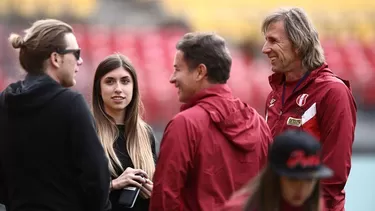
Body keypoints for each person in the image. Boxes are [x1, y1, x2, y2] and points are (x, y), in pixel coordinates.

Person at [149, 32, 273, 211]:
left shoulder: (184, 125)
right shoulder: (259, 123)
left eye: (177, 69)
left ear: (200, 72)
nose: (172, 78)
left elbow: (164, 200)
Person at [0, 19, 110, 211]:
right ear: (56, 58)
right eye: (76, 53)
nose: (80, 60)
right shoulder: (71, 103)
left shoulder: (4, 101)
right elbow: (97, 178)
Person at [261, 7, 357, 211]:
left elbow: (334, 175)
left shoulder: (332, 92)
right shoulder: (273, 96)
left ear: (298, 44)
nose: (264, 49)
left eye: (273, 41)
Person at [92, 53, 157, 211]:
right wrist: (114, 184)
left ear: (134, 88)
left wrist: (154, 193)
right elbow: (72, 191)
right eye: (110, 81)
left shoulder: (145, 133)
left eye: (125, 81)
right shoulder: (88, 130)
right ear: (99, 89)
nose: (118, 89)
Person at [220, 130, 333, 211]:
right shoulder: (239, 207)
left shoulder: (316, 205)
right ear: (274, 176)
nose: (302, 189)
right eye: (293, 179)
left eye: (309, 180)